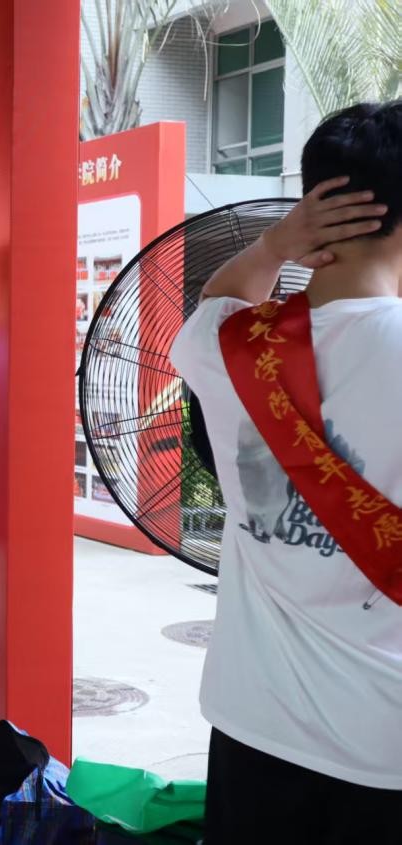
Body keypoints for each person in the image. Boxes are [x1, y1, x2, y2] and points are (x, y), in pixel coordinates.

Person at [169, 103, 402, 842]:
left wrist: (274, 244)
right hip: (383, 743)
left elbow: (217, 297)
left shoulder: (223, 344)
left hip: (251, 725)